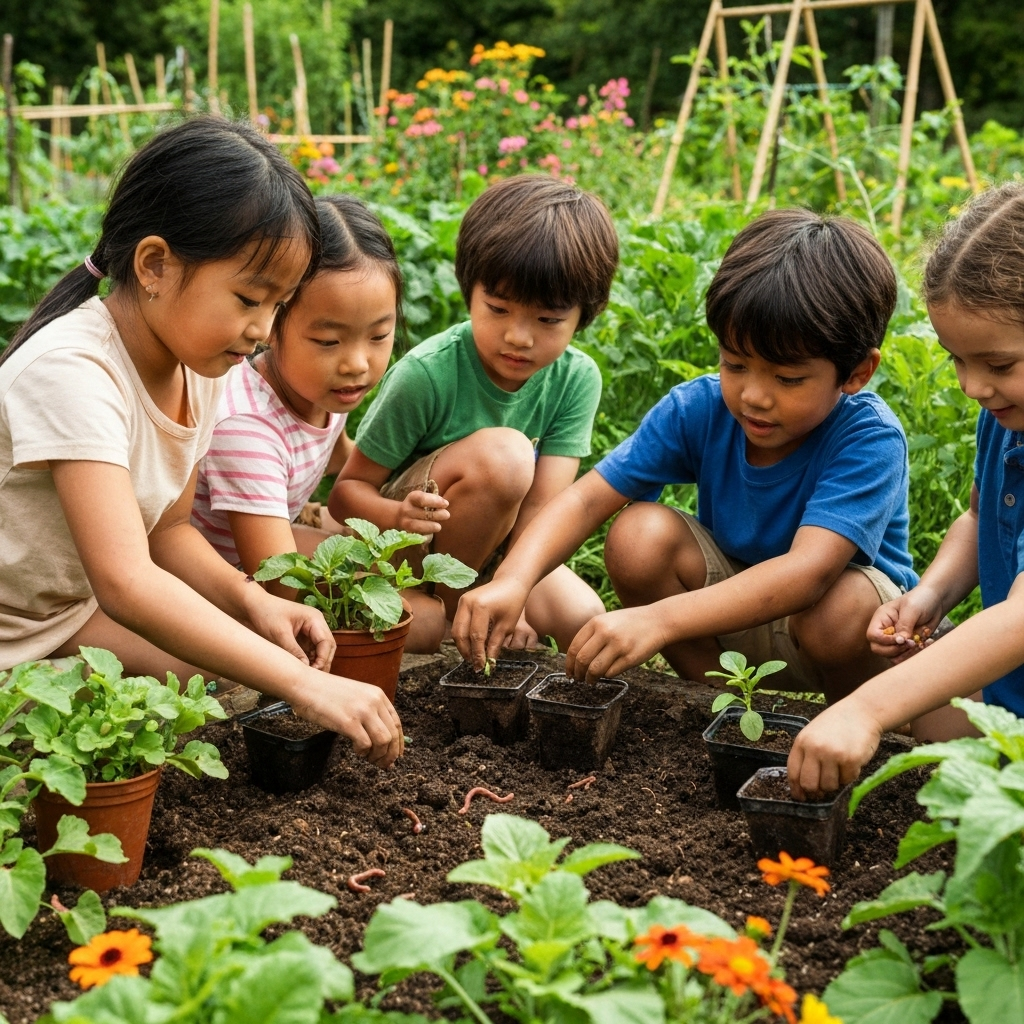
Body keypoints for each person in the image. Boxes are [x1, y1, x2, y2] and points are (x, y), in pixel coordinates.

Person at [0, 118, 401, 767]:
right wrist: (304, 684)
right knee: (107, 736)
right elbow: (126, 581)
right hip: (15, 627)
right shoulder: (72, 371)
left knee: (212, 669)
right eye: (248, 298)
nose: (263, 330)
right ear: (155, 265)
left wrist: (254, 601)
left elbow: (169, 530)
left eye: (278, 306)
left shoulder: (202, 367)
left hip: (68, 615)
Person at [454, 208, 914, 707]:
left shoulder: (868, 437)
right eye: (735, 364)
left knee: (842, 607)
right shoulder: (699, 408)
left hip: (854, 637)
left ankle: (860, 719)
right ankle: (721, 706)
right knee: (638, 536)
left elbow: (808, 574)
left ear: (857, 372)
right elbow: (586, 500)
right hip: (728, 613)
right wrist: (513, 580)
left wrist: (657, 620)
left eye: (788, 379)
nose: (754, 396)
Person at [788, 182, 1024, 798]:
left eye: (998, 365)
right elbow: (978, 518)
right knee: (924, 736)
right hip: (1007, 698)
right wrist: (932, 594)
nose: (973, 386)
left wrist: (864, 709)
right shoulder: (1006, 418)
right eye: (957, 360)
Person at [329, 174, 616, 647]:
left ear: (584, 315)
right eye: (498, 309)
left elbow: (541, 509)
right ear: (470, 291)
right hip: (407, 542)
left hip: (497, 545)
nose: (519, 337)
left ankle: (479, 602)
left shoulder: (576, 378)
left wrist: (514, 589)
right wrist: (398, 515)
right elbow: (346, 496)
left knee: (582, 616)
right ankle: (453, 618)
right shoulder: (427, 373)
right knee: (507, 456)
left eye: (548, 320)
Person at [191, 194, 445, 652]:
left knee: (418, 603)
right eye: (328, 341)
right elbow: (278, 578)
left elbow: (340, 457)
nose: (356, 363)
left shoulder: (319, 391)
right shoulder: (247, 426)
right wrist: (372, 576)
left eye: (379, 336)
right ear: (271, 323)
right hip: (225, 584)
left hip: (270, 542)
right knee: (424, 621)